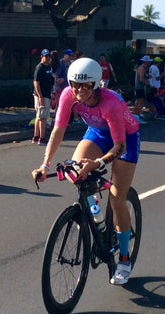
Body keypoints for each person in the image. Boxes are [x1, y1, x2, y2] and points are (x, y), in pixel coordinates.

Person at [31, 58, 140, 285]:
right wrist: (45, 165)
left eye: (86, 86)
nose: (79, 91)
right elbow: (58, 131)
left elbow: (119, 147)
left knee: (117, 198)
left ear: (96, 84)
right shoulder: (68, 95)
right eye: (75, 85)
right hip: (98, 133)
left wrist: (98, 163)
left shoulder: (111, 103)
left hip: (124, 138)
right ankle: (95, 213)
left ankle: (124, 259)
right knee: (75, 169)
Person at [32, 49, 54, 146]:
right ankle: (42, 138)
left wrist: (52, 92)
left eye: (49, 56)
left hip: (47, 94)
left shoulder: (48, 67)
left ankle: (36, 137)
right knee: (43, 118)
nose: (48, 58)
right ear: (41, 57)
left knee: (39, 116)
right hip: (42, 96)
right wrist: (40, 97)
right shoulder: (40, 68)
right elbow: (36, 83)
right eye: (46, 56)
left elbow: (50, 81)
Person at [134, 55, 152, 120]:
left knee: (137, 102)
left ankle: (136, 116)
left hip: (138, 87)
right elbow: (141, 79)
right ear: (145, 61)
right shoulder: (142, 68)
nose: (149, 63)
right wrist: (148, 84)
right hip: (140, 87)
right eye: (148, 61)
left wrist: (147, 77)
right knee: (140, 103)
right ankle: (138, 117)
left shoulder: (142, 68)